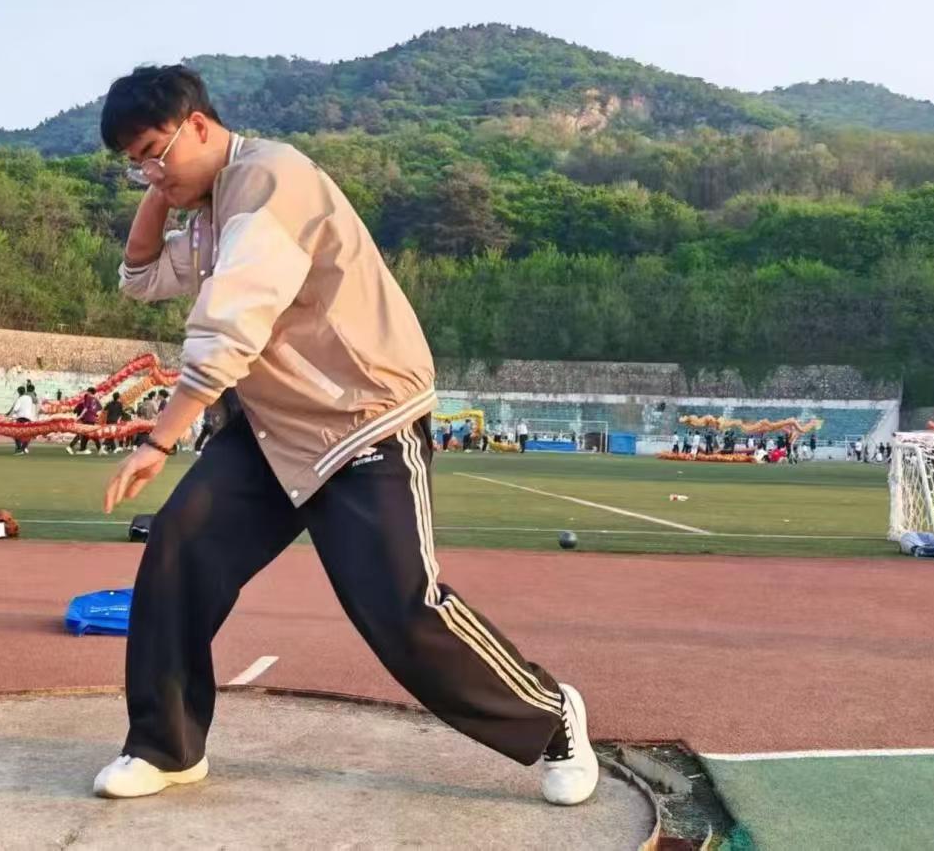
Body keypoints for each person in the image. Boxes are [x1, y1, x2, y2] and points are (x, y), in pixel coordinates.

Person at [92, 65, 594, 805]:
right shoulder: (209, 211)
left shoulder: (271, 180)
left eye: (153, 152)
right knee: (179, 548)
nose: (148, 173)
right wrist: (162, 186)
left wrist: (158, 440)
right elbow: (140, 280)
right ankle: (165, 747)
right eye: (133, 163)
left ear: (199, 124)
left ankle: (553, 719)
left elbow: (228, 330)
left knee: (399, 609)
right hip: (273, 428)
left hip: (361, 420)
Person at [69, 388, 102, 455]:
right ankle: (84, 449)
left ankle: (98, 448)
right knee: (87, 434)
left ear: (90, 392)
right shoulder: (96, 399)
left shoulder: (89, 398)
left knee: (87, 434)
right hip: (92, 419)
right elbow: (100, 408)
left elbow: (86, 408)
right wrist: (94, 413)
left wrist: (80, 416)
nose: (86, 393)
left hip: (87, 418)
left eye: (87, 391)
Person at [10, 386, 36, 454]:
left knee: (17, 434)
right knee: (27, 434)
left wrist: (12, 416)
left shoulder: (20, 399)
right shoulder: (29, 398)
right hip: (28, 418)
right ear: (24, 391)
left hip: (20, 418)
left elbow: (15, 409)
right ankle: (24, 448)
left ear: (18, 392)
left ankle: (19, 448)